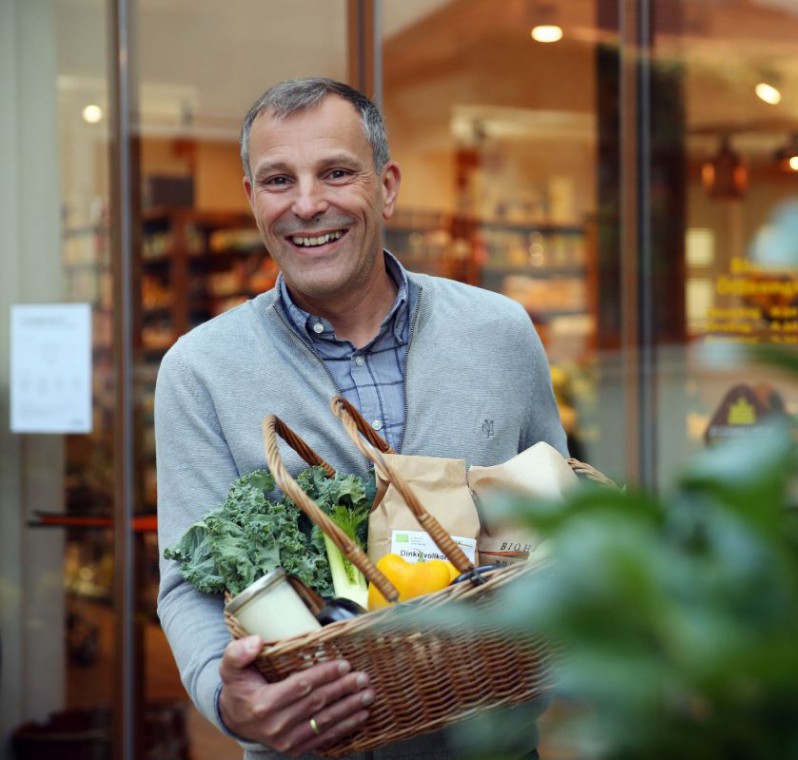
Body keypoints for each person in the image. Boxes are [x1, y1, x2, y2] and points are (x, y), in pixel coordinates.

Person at [155, 78, 567, 759]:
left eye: (337, 172)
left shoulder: (500, 332)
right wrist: (226, 698)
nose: (308, 204)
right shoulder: (200, 370)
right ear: (254, 199)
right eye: (278, 180)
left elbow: (558, 517)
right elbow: (188, 586)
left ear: (388, 186)